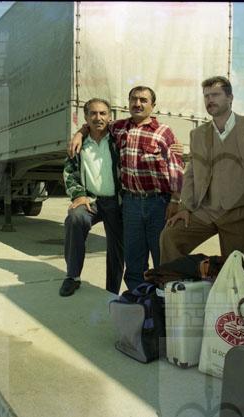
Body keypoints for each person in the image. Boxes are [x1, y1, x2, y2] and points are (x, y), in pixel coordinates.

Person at [68, 86, 184, 291]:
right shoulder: (119, 128)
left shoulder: (163, 132)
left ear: (153, 105)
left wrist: (176, 201)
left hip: (158, 203)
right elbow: (95, 123)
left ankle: (163, 299)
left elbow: (176, 169)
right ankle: (137, 297)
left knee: (161, 254)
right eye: (133, 99)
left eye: (143, 100)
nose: (137, 104)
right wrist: (80, 132)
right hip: (130, 204)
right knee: (134, 258)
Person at [160, 76, 244, 266]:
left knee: (238, 270)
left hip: (242, 213)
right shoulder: (197, 134)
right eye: (206, 96)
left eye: (215, 95)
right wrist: (184, 208)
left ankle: (233, 284)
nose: (210, 100)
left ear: (230, 98)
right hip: (205, 210)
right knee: (171, 236)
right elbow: (192, 172)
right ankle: (178, 281)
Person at [60, 98, 124, 296]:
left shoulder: (118, 140)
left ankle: (112, 290)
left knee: (117, 247)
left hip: (116, 201)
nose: (98, 117)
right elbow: (69, 173)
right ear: (86, 117)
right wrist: (79, 195)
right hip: (91, 201)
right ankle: (72, 277)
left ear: (110, 116)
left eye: (103, 113)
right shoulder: (78, 145)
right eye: (93, 113)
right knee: (75, 219)